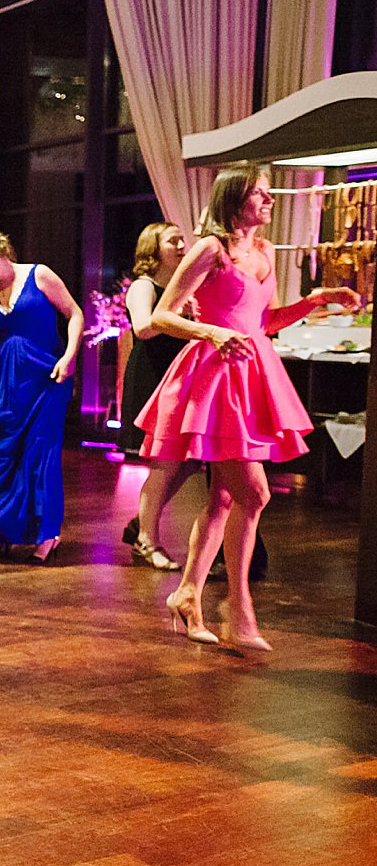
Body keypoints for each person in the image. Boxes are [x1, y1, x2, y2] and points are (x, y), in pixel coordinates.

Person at [137, 162, 360, 651]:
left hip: (252, 373)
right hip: (215, 376)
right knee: (255, 494)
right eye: (260, 193)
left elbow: (267, 319)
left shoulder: (264, 250)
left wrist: (318, 300)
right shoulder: (209, 249)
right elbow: (162, 316)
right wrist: (212, 331)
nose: (270, 200)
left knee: (224, 497)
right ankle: (238, 607)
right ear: (236, 199)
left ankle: (190, 592)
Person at [0, 230, 84, 562]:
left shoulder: (39, 275)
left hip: (44, 378)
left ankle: (48, 533)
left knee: (40, 455)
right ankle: (0, 529)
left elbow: (75, 314)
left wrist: (69, 356)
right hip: (7, 383)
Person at [117, 223, 196, 570]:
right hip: (151, 377)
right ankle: (147, 541)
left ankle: (141, 522)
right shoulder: (143, 286)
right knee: (164, 462)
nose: (182, 245)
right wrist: (181, 316)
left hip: (178, 379)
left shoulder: (179, 288)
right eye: (173, 241)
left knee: (189, 461)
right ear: (153, 249)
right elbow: (144, 328)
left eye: (182, 240)